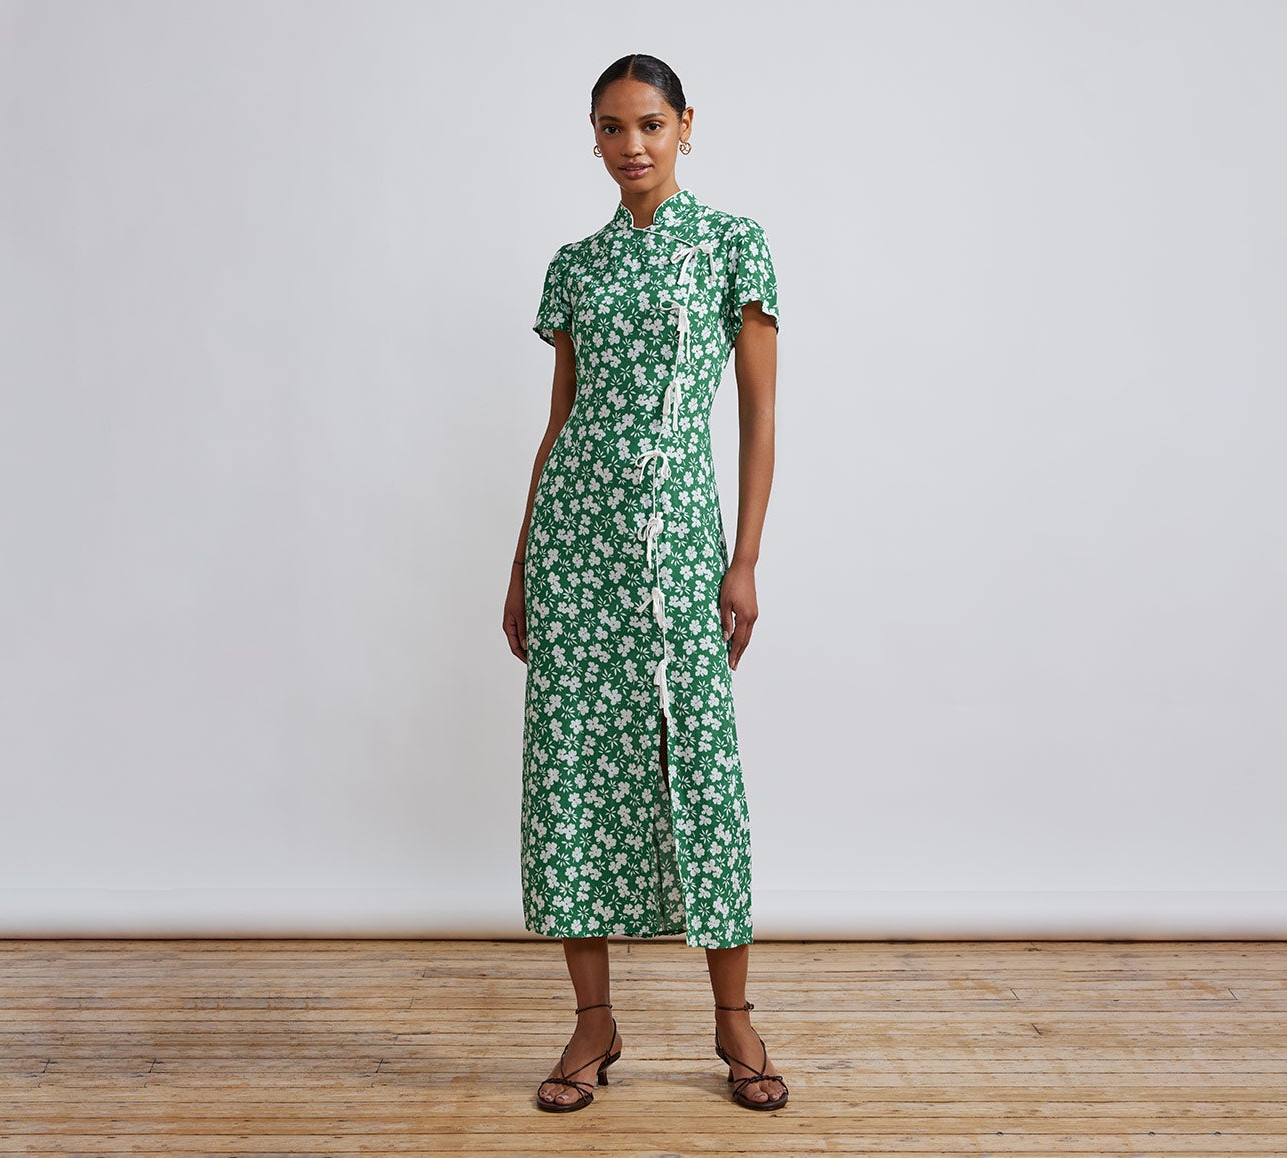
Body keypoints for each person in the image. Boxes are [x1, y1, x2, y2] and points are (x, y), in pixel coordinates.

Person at [501, 52, 787, 1113]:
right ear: (593, 137)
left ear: (686, 126)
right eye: (613, 128)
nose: (632, 145)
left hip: (679, 550)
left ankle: (734, 1020)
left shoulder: (732, 245)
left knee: (700, 766)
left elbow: (759, 416)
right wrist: (522, 561)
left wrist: (743, 558)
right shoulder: (574, 265)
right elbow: (560, 422)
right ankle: (592, 1022)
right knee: (574, 769)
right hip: (576, 550)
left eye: (650, 125)